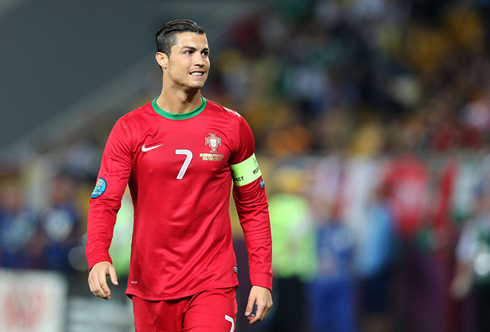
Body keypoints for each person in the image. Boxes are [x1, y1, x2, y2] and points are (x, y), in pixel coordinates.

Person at [85, 19, 273, 332]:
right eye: (188, 52)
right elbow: (105, 200)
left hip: (213, 281)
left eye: (205, 53)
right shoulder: (130, 129)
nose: (200, 61)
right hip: (151, 284)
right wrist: (97, 256)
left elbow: (253, 207)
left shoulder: (233, 127)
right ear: (163, 59)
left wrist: (262, 278)